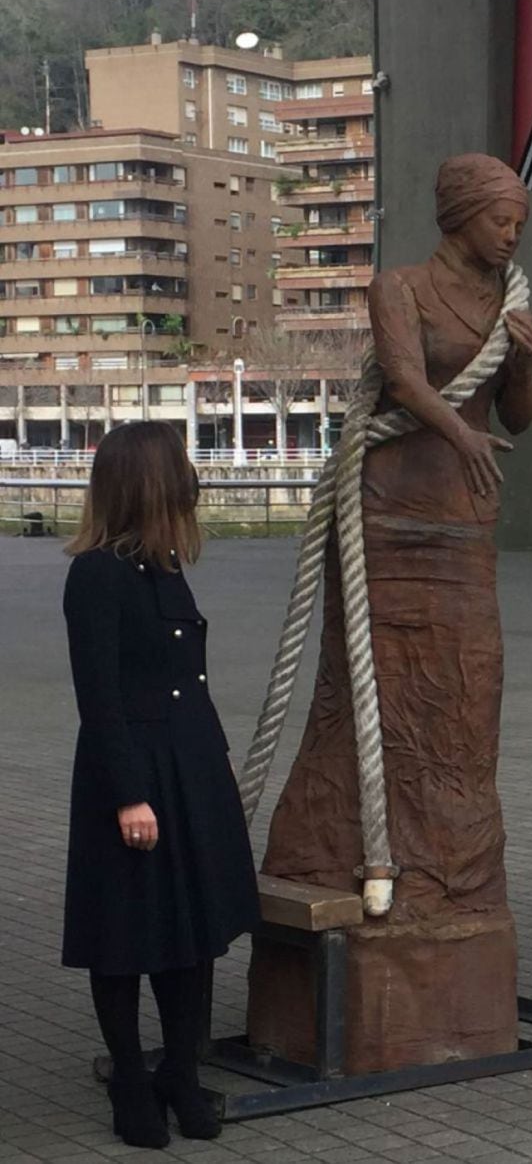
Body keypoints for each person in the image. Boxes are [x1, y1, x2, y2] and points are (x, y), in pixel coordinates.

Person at [253, 154, 532, 1072]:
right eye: (501, 221)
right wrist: (462, 432)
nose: (512, 235)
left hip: (464, 526)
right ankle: (363, 857)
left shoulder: (508, 304)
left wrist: (524, 363)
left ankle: (450, 880)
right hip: (386, 519)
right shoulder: (402, 287)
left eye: (519, 224)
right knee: (372, 694)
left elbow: (519, 418)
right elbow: (412, 385)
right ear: (461, 216)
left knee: (467, 697)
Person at [62, 422, 260, 1148]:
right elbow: (100, 695)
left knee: (191, 932)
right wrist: (128, 794)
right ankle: (129, 1080)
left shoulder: (163, 567)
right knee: (124, 936)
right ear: (146, 481)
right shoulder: (97, 574)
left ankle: (180, 1069)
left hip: (191, 765)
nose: (190, 481)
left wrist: (221, 755)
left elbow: (189, 681)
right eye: (177, 469)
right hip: (136, 775)